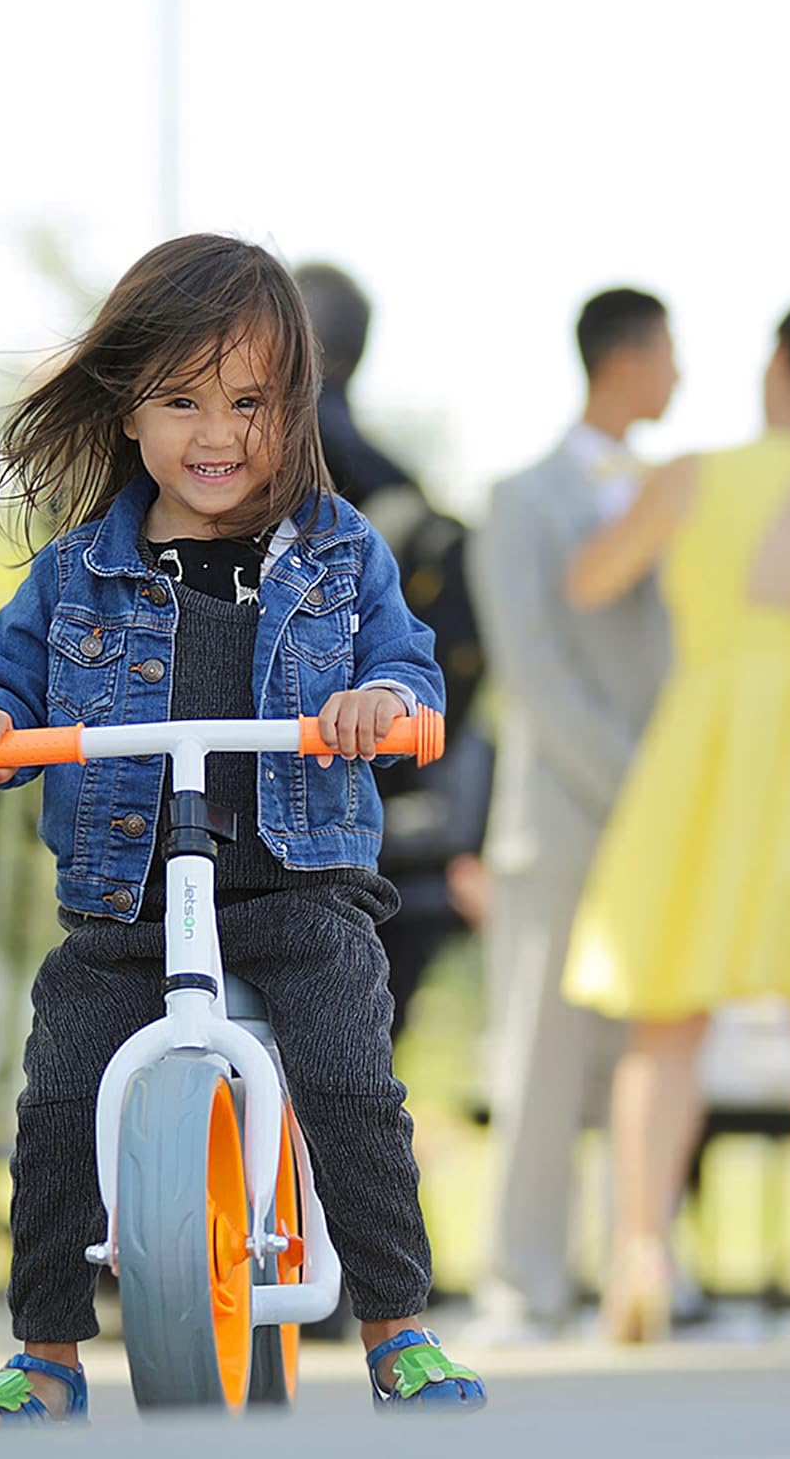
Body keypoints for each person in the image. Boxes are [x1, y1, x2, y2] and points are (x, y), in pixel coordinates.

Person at [0, 233, 485, 1424]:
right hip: (129, 901)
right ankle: (45, 1352)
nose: (216, 434)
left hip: (298, 888)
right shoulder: (77, 572)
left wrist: (381, 707)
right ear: (127, 411)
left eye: (249, 402)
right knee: (58, 1095)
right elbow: (8, 680)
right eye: (181, 402)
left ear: (300, 410)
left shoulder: (343, 555)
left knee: (351, 1076)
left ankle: (397, 1327)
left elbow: (410, 674)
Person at [563, 292, 790, 1352]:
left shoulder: (700, 476)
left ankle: (642, 1253)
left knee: (669, 1011)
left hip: (714, 744)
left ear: (780, 365)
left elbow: (589, 582)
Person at [467, 289, 677, 1339]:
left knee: (657, 1055)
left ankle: (645, 1282)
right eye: (671, 353)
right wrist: (643, 780)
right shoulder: (518, 500)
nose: (680, 375)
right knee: (539, 1059)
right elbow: (533, 675)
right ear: (627, 359)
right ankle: (522, 1286)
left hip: (667, 827)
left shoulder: (678, 499)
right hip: (559, 820)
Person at [293, 262, 492, 1042]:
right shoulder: (402, 497)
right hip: (392, 846)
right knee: (347, 1089)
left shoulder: (210, 476)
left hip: (235, 837)